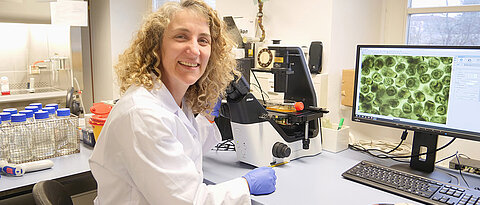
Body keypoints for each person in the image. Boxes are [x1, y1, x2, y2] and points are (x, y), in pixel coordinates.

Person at [88, 0, 277, 204]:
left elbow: (182, 148)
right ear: (156, 45)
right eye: (181, 36)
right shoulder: (143, 113)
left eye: (203, 40)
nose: (194, 50)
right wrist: (245, 185)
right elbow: (188, 201)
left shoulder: (175, 100)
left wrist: (208, 118)